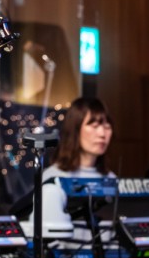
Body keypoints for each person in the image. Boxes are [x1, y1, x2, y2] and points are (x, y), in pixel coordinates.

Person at [26, 97, 115, 245]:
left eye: (107, 126)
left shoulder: (112, 179)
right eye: (94, 126)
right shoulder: (52, 178)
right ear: (75, 130)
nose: (102, 134)